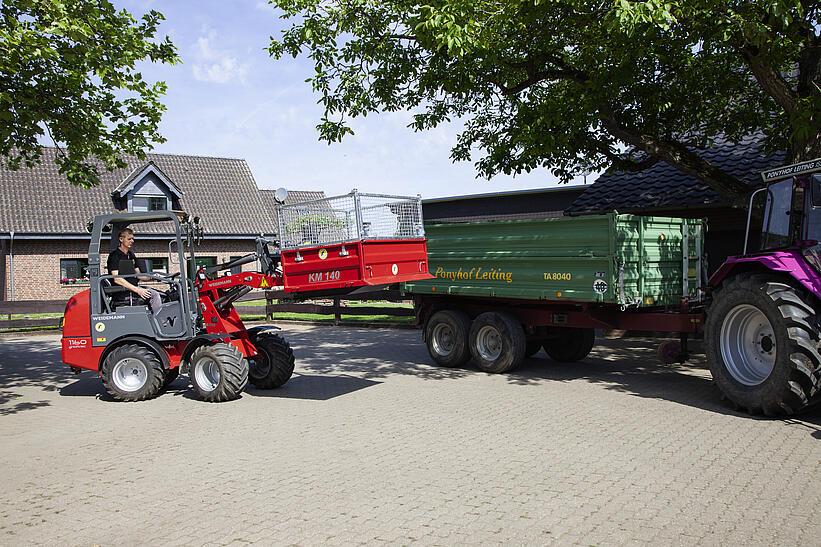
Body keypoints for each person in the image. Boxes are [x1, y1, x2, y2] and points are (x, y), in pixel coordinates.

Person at [107, 227, 163, 315]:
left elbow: (139, 275)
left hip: (133, 289)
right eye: (129, 239)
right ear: (121, 239)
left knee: (162, 295)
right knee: (154, 295)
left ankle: (156, 320)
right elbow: (117, 279)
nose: (132, 241)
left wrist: (154, 277)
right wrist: (138, 290)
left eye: (133, 238)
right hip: (122, 292)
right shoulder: (114, 256)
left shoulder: (131, 255)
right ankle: (157, 321)